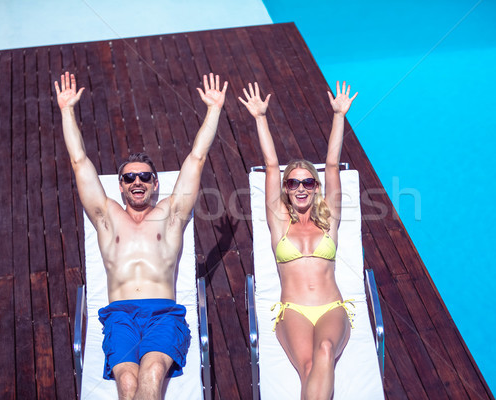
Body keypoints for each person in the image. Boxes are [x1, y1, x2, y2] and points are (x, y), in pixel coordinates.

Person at [55, 71, 227, 400]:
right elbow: (79, 161)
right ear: (119, 185)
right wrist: (66, 110)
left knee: (151, 371)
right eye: (130, 177)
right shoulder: (106, 218)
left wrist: (214, 110)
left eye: (145, 177)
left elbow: (197, 158)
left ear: (155, 183)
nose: (138, 182)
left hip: (163, 314)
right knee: (129, 384)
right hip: (119, 316)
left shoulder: (171, 215)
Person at [239, 81, 357, 399]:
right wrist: (260, 117)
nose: (301, 187)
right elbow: (272, 165)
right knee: (308, 368)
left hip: (331, 307)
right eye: (293, 183)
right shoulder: (278, 222)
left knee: (325, 351)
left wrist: (338, 115)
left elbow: (332, 165)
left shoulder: (329, 218)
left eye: (307, 181)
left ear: (316, 187)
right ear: (286, 189)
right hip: (293, 311)